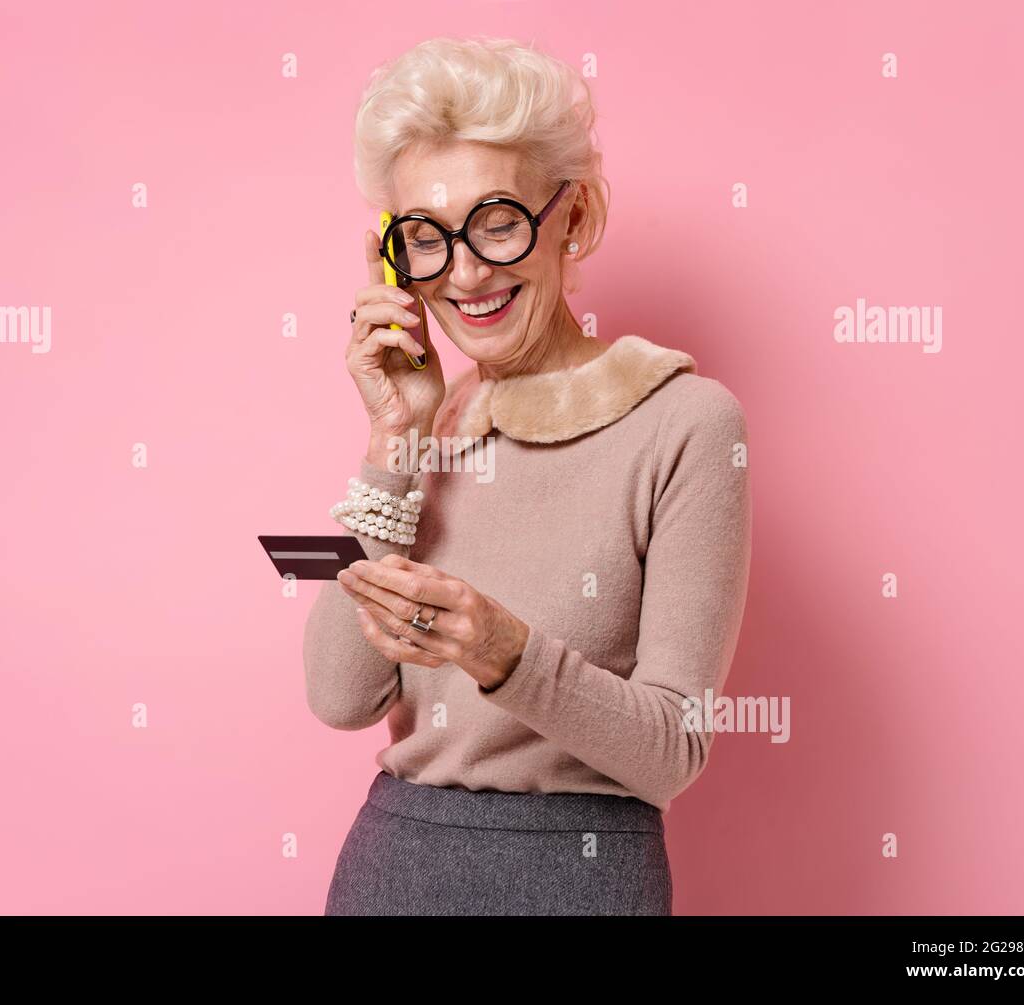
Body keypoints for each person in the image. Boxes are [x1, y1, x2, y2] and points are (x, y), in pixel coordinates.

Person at [303, 35, 751, 916]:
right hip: (393, 868)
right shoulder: (428, 426)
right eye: (426, 238)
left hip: (582, 877)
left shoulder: (685, 423)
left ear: (572, 217)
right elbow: (337, 693)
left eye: (498, 220)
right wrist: (394, 437)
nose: (466, 271)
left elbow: (674, 747)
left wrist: (500, 649)